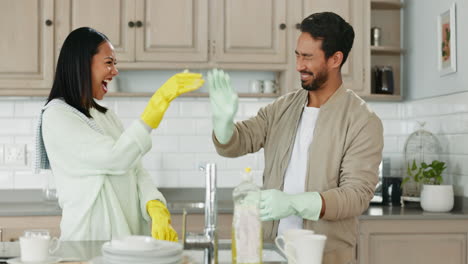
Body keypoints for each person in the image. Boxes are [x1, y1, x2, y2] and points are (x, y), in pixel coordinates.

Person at [208, 12, 383, 264]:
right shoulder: (283, 108)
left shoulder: (362, 120)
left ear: (335, 59)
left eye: (308, 57)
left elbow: (356, 195)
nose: (299, 65)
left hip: (326, 257)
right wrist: (223, 123)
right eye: (298, 55)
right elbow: (240, 140)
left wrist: (294, 203)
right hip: (273, 252)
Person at [35, 27, 204, 241]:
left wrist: (155, 206)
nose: (115, 71)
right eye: (108, 62)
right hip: (89, 244)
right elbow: (115, 158)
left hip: (127, 242)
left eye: (115, 64)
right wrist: (158, 103)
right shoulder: (57, 115)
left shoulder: (106, 116)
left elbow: (135, 169)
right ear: (82, 64)